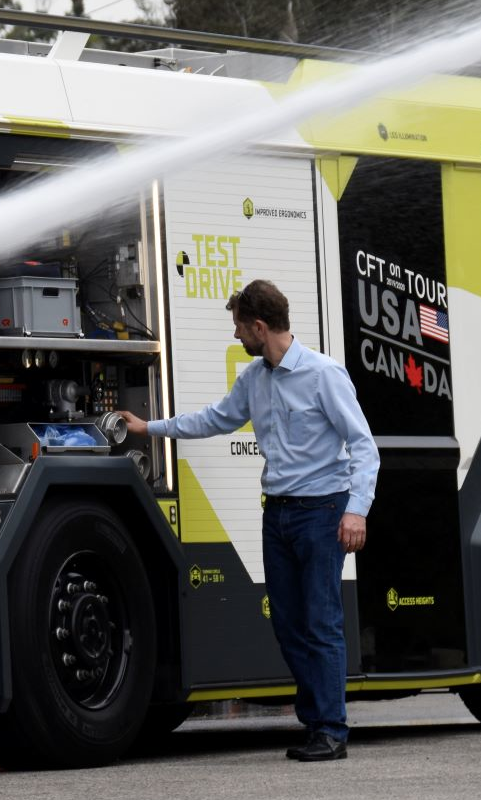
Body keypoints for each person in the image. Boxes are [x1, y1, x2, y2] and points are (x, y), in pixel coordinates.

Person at [119, 280, 377, 762]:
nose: (236, 335)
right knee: (287, 623)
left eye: (239, 325)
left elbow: (364, 446)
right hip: (278, 515)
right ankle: (316, 720)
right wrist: (148, 427)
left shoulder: (324, 375)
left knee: (321, 621)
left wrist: (356, 509)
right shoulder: (254, 378)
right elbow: (215, 419)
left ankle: (329, 729)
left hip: (323, 513)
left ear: (259, 326)